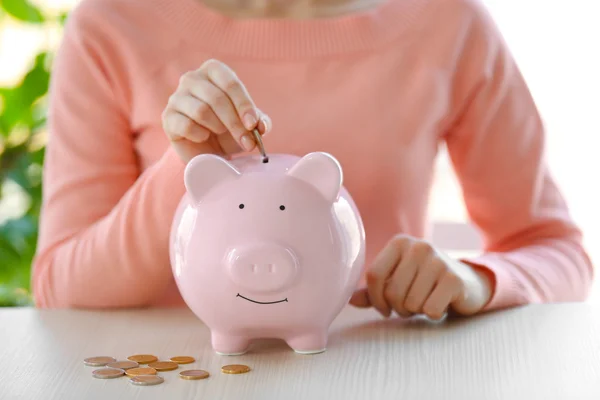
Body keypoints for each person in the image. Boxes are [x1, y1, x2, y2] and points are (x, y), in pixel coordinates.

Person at [32, 0, 594, 319]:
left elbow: (557, 251)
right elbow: (59, 287)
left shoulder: (449, 22)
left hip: (376, 375)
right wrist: (187, 171)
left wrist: (475, 279)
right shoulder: (110, 25)